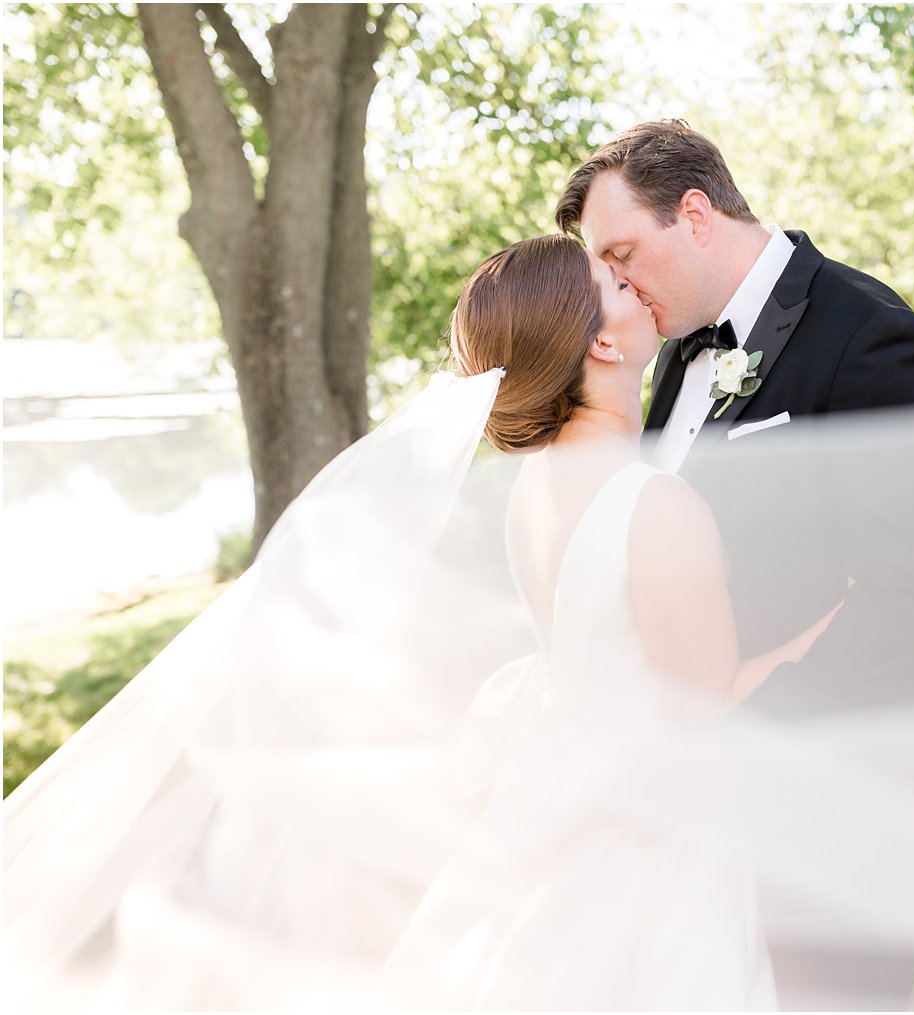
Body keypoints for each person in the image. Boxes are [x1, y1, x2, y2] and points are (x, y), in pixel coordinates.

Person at [3, 235, 835, 1010]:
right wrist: (806, 642)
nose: (638, 280)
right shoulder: (655, 504)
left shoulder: (535, 487)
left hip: (554, 830)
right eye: (616, 282)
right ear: (603, 347)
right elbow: (699, 712)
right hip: (650, 856)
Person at [556, 119, 914, 1009]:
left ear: (695, 213)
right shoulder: (673, 358)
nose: (617, 285)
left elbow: (912, 597)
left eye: (623, 253)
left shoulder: (872, 338)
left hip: (843, 819)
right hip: (705, 827)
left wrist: (718, 745)